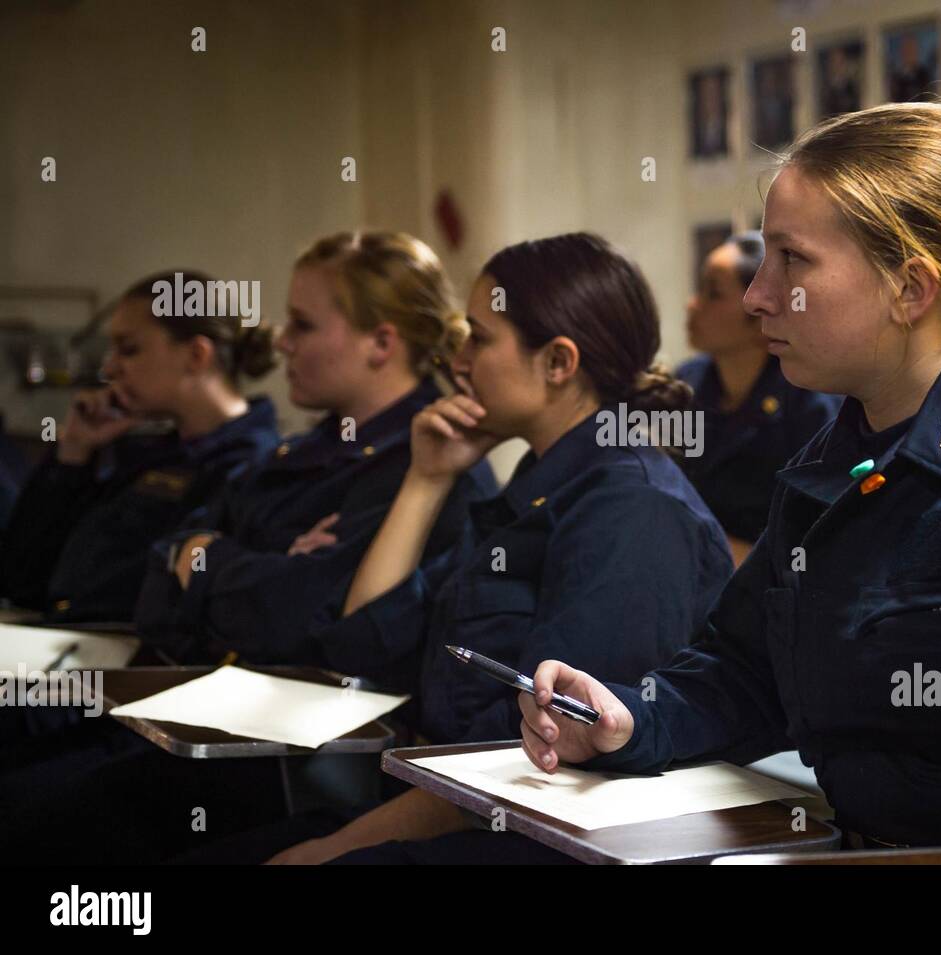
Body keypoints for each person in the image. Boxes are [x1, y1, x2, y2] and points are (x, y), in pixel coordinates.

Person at [512, 104, 941, 861]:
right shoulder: (847, 444)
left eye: (792, 260)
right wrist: (630, 716)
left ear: (910, 288)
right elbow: (747, 667)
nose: (757, 295)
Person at [170, 233, 734, 864]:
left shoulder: (632, 509)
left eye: (479, 337)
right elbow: (361, 644)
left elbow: (537, 760)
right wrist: (426, 480)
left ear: (558, 362)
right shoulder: (541, 484)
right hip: (450, 801)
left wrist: (334, 849)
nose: (457, 359)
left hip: (522, 833)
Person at [133, 232, 495, 669]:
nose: (283, 342)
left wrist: (206, 559)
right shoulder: (299, 450)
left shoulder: (434, 460)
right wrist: (267, 564)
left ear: (381, 343)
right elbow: (155, 577)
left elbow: (305, 627)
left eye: (303, 325)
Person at [0, 271, 279, 624]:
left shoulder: (252, 465)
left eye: (129, 349)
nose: (110, 367)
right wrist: (74, 454)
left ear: (196, 355)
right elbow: (22, 575)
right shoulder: (147, 453)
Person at [677, 231, 839, 564]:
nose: (692, 304)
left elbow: (819, 537)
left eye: (713, 293)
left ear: (759, 314)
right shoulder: (687, 383)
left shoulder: (810, 403)